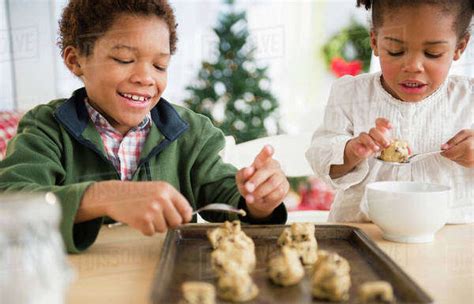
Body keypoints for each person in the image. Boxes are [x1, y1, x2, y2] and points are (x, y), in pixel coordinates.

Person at [0, 0, 289, 253]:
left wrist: (258, 203)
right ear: (76, 61)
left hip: (166, 287)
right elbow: (10, 202)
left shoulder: (192, 132)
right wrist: (105, 196)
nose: (145, 77)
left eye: (160, 66)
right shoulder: (47, 127)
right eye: (124, 59)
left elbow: (230, 199)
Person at [306, 0, 474, 223]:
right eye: (396, 51)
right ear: (375, 41)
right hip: (363, 234)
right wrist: (352, 151)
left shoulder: (468, 98)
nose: (413, 66)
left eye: (433, 53)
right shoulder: (350, 94)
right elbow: (322, 159)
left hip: (449, 240)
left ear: (459, 47)